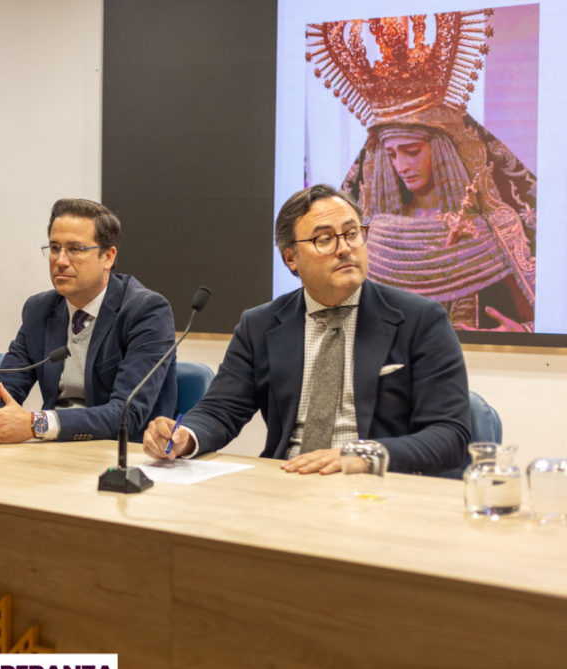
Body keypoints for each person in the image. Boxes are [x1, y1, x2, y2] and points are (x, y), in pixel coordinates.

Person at [142, 185, 470, 475]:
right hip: (287, 477)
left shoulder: (420, 320)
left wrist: (363, 456)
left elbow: (450, 433)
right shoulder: (260, 325)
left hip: (375, 484)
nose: (344, 248)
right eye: (324, 239)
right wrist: (186, 437)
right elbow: (222, 408)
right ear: (291, 259)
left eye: (352, 233)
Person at [307, 10, 536, 332]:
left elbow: (539, 310)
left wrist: (522, 332)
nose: (402, 166)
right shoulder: (372, 233)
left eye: (413, 151)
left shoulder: (496, 230)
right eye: (392, 155)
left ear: (441, 149)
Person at [0, 198, 177, 445]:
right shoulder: (39, 310)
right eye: (54, 248)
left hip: (121, 457)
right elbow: (5, 384)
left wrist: (35, 424)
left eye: (75, 249)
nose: (61, 261)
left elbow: (126, 414)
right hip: (53, 450)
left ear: (108, 257)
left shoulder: (146, 311)